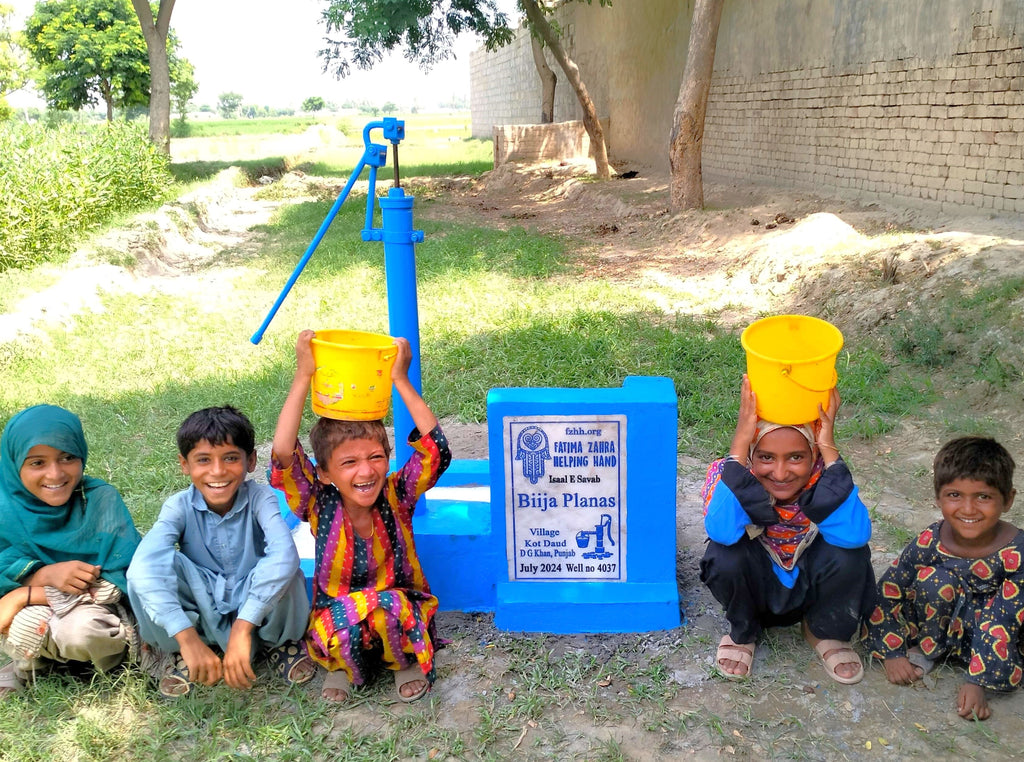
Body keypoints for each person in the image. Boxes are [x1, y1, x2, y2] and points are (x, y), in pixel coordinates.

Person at [271, 330, 451, 703]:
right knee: (340, 626)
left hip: (396, 611)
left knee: (388, 611)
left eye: (375, 458)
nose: (366, 472)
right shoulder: (319, 504)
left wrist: (399, 378)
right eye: (349, 463)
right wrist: (304, 375)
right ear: (324, 473)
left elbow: (437, 451)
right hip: (340, 617)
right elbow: (284, 456)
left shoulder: (398, 495)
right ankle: (340, 667)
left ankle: (404, 663)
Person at [126, 406, 312, 698]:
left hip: (255, 604)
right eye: (203, 460)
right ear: (184, 464)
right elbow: (143, 568)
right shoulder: (178, 506)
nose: (217, 471)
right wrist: (185, 636)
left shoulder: (261, 497)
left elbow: (283, 554)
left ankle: (280, 644)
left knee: (284, 565)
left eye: (230, 458)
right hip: (203, 604)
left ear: (250, 460)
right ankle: (183, 651)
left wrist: (242, 625)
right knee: (149, 570)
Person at [699, 376, 874, 683]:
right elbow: (722, 532)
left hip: (810, 588)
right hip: (757, 589)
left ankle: (825, 630)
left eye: (796, 457)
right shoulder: (731, 473)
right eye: (766, 457)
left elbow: (855, 535)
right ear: (752, 455)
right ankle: (745, 630)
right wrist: (740, 445)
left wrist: (829, 448)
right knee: (723, 556)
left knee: (851, 555)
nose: (780, 473)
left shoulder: (826, 477)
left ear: (814, 455)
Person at [866, 436, 1024, 721]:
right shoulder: (931, 539)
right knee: (933, 580)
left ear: (1008, 499)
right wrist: (891, 652)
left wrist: (977, 682)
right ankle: (930, 648)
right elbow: (889, 589)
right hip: (941, 622)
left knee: (999, 610)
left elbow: (1005, 618)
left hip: (993, 632)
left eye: (983, 497)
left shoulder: (1018, 553)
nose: (968, 509)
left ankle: (976, 668)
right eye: (955, 495)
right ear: (938, 497)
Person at [0, 405, 141, 698]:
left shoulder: (99, 500)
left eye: (67, 457)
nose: (55, 473)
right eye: (37, 463)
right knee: (27, 621)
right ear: (14, 464)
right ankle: (33, 663)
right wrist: (43, 574)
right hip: (34, 613)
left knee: (80, 632)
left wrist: (25, 593)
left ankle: (83, 662)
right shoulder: (5, 510)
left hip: (95, 612)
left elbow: (121, 579)